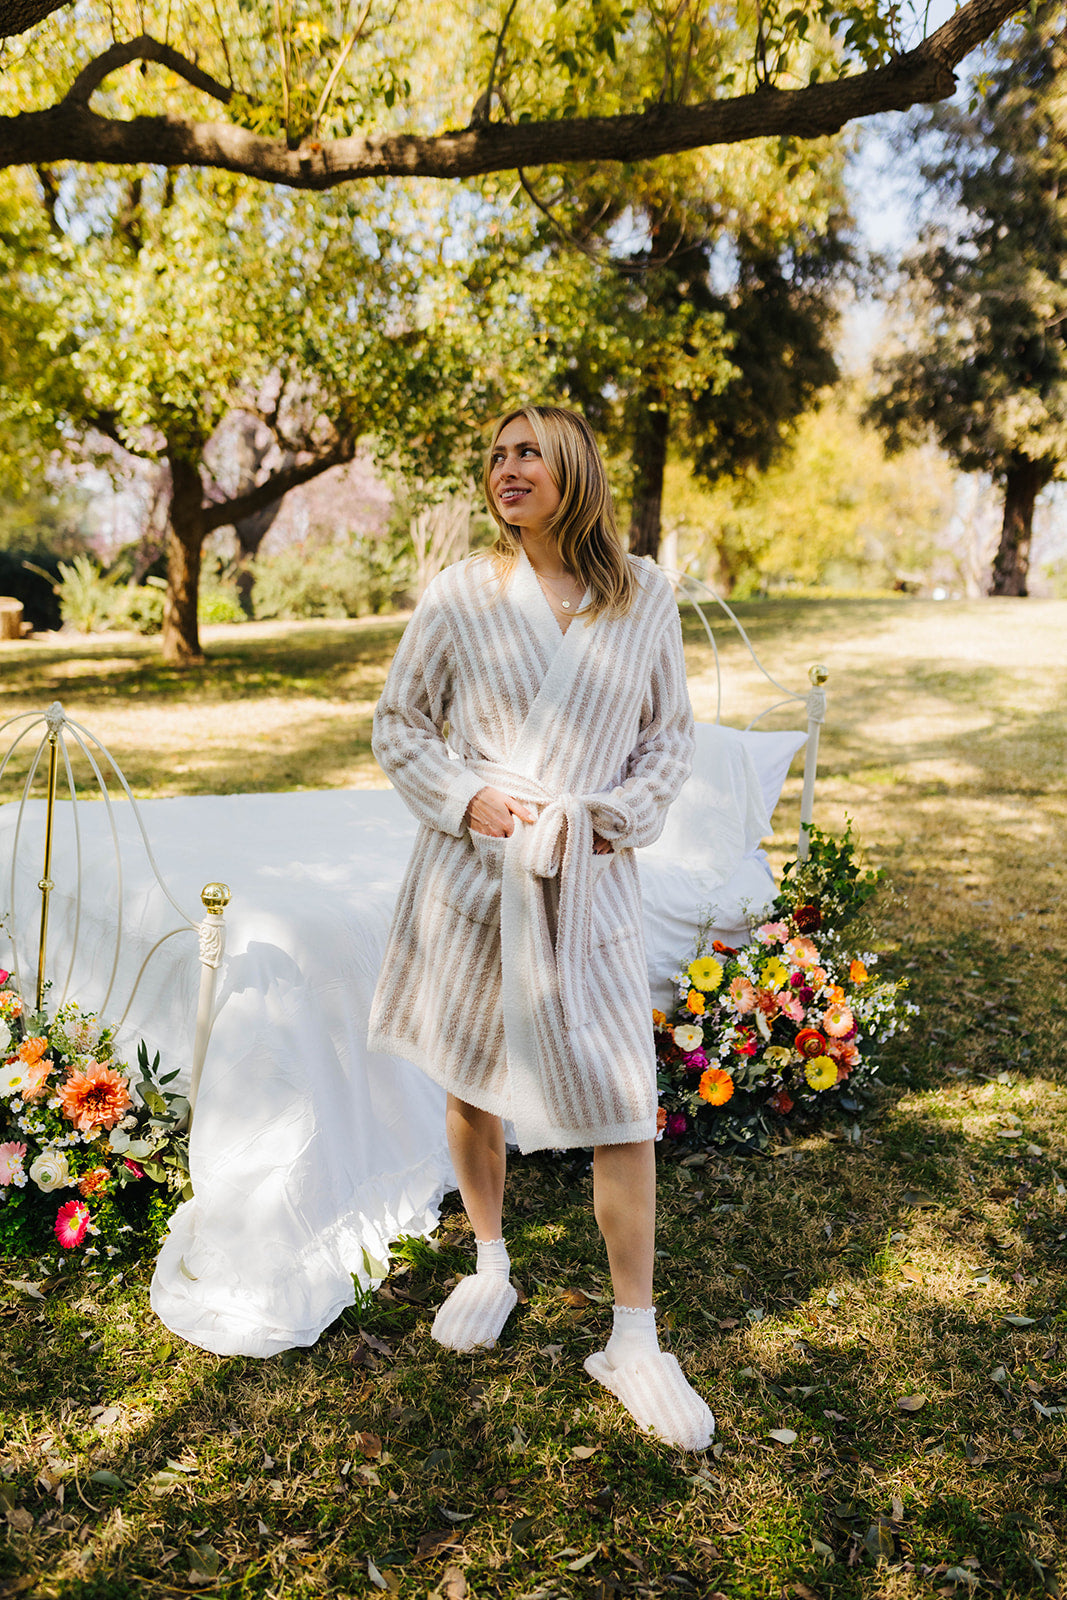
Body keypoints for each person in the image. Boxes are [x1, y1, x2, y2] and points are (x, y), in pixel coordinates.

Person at [367, 405, 713, 1451]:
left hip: (589, 873)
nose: (505, 468)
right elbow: (398, 723)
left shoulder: (641, 594)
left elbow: (666, 739)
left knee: (619, 1100)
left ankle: (634, 1336)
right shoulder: (460, 597)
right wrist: (465, 796)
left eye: (526, 450)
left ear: (573, 467)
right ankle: (489, 1260)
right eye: (495, 456)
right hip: (473, 872)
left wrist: (618, 819)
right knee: (471, 1073)